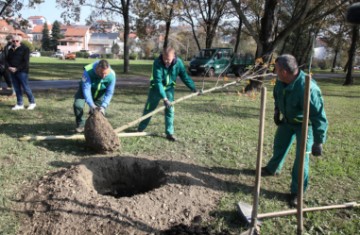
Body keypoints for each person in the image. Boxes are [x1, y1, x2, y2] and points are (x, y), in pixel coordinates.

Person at [262, 54, 328, 207]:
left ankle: (297, 192)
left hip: (306, 125)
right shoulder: (280, 81)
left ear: (285, 71)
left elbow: (319, 115)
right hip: (288, 122)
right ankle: (272, 169)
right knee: (279, 145)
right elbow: (277, 96)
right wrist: (277, 111)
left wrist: (319, 141)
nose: (275, 72)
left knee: (301, 160)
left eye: (277, 69)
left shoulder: (308, 88)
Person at [137, 47, 197, 141]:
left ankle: (169, 133)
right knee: (149, 109)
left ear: (174, 56)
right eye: (164, 58)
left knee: (170, 110)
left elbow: (184, 77)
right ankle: (140, 129)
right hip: (156, 89)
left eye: (168, 59)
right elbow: (158, 82)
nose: (166, 61)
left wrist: (193, 88)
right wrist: (164, 99)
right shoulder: (157, 62)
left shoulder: (179, 63)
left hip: (169, 89)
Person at [73, 59, 116, 133]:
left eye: (106, 74)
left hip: (100, 92)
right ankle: (81, 124)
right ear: (97, 69)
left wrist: (104, 106)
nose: (104, 76)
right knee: (78, 105)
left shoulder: (112, 75)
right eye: (101, 73)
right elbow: (86, 90)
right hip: (84, 90)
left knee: (98, 113)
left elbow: (109, 93)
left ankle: (93, 128)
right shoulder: (88, 72)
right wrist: (92, 105)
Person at [6, 35, 36, 110]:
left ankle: (32, 102)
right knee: (17, 88)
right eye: (13, 41)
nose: (15, 42)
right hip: (12, 72)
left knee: (26, 88)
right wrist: (9, 67)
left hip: (22, 72)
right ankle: (20, 104)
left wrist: (17, 69)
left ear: (20, 41)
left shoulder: (25, 49)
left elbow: (25, 62)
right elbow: (7, 60)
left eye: (17, 41)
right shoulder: (10, 50)